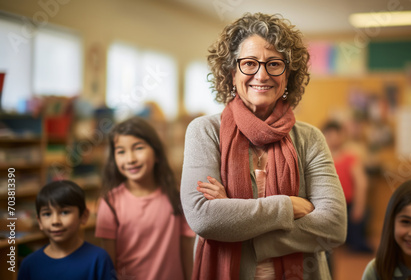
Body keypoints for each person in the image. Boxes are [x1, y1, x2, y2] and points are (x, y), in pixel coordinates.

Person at [180, 13, 347, 280]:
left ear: (288, 75)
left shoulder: (310, 138)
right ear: (231, 72)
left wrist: (235, 219)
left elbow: (334, 227)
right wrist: (289, 207)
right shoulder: (204, 132)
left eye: (274, 64)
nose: (262, 74)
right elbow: (204, 218)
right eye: (249, 63)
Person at [95, 117, 195, 280]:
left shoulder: (176, 196)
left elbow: (186, 252)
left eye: (138, 148)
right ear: (114, 159)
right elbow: (109, 266)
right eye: (121, 151)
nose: (130, 159)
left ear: (156, 154)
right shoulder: (109, 203)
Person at [18, 180, 114, 280]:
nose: (55, 221)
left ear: (84, 216)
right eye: (47, 214)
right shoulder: (29, 264)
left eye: (64, 212)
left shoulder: (99, 259)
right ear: (40, 222)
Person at [322, 120, 372, 253]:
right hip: (327, 204)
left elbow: (362, 183)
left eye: (336, 134)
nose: (333, 138)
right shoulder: (321, 158)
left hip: (348, 204)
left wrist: (359, 207)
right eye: (329, 135)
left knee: (356, 245)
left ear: (341, 136)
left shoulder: (351, 157)